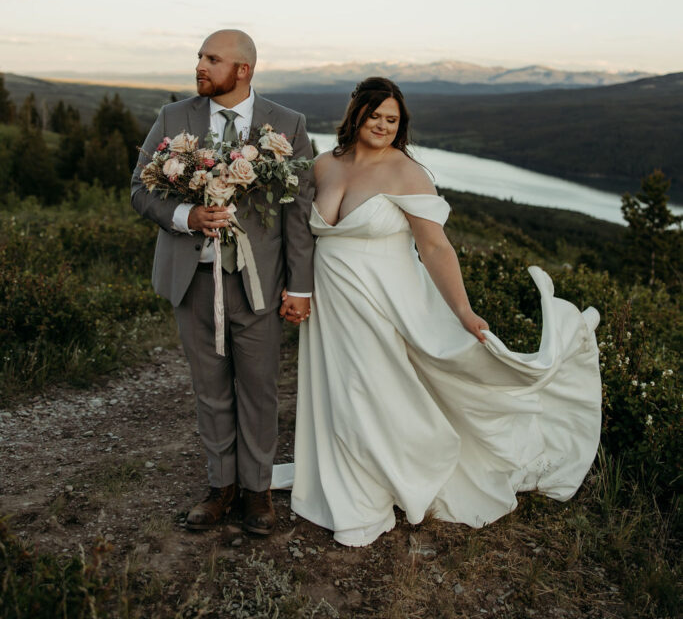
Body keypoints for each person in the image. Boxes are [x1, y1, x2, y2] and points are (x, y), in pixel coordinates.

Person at [278, 77, 601, 547]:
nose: (383, 125)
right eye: (375, 115)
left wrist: (464, 311)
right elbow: (299, 234)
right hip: (331, 301)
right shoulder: (324, 163)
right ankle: (338, 480)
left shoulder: (408, 172)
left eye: (392, 119)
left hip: (384, 300)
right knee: (334, 389)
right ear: (355, 113)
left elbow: (435, 246)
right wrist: (297, 289)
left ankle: (370, 494)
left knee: (365, 390)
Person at [131, 29, 315, 536]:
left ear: (243, 70)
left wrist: (300, 287)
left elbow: (298, 216)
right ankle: (221, 487)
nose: (200, 66)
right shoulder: (172, 119)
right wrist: (187, 214)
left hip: (257, 284)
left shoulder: (289, 125)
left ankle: (257, 492)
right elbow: (139, 190)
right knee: (210, 388)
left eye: (212, 59)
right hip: (193, 278)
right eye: (199, 57)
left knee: (258, 390)